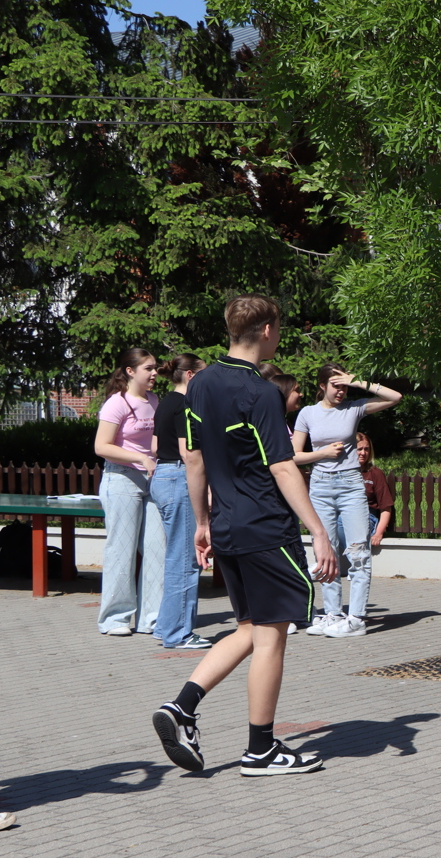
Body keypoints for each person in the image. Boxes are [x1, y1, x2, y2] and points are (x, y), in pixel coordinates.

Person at [149, 293, 338, 777]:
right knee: (272, 635)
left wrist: (203, 522)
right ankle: (261, 750)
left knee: (250, 628)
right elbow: (282, 466)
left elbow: (192, 459)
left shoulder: (200, 384)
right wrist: (318, 531)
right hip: (265, 526)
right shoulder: (262, 393)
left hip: (228, 524)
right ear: (268, 330)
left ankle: (181, 707)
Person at [292, 365, 402, 638]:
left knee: (358, 552)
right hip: (320, 485)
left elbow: (395, 397)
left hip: (351, 484)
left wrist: (358, 381)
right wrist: (323, 453)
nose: (341, 391)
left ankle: (356, 618)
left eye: (344, 386)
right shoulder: (308, 413)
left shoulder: (353, 408)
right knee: (325, 552)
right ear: (322, 386)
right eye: (335, 385)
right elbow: (294, 455)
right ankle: (333, 614)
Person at [93, 348, 167, 637]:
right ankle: (115, 619)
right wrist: (140, 458)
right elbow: (102, 446)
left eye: (155, 368)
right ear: (130, 371)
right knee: (121, 551)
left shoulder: (154, 400)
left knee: (157, 549)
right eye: (148, 368)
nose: (154, 373)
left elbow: (156, 442)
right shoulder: (117, 403)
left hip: (151, 481)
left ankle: (153, 618)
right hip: (122, 479)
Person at [149, 353, 210, 649]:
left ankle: (165, 627)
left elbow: (155, 446)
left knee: (176, 555)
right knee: (186, 559)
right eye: (203, 375)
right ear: (190, 375)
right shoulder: (186, 405)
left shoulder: (165, 402)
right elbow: (189, 453)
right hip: (178, 477)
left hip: (162, 475)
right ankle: (179, 634)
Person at [356, 433, 394, 554]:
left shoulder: (375, 473)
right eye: (359, 449)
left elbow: (386, 507)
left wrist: (379, 533)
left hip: (367, 516)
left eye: (366, 449)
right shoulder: (342, 472)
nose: (363, 453)